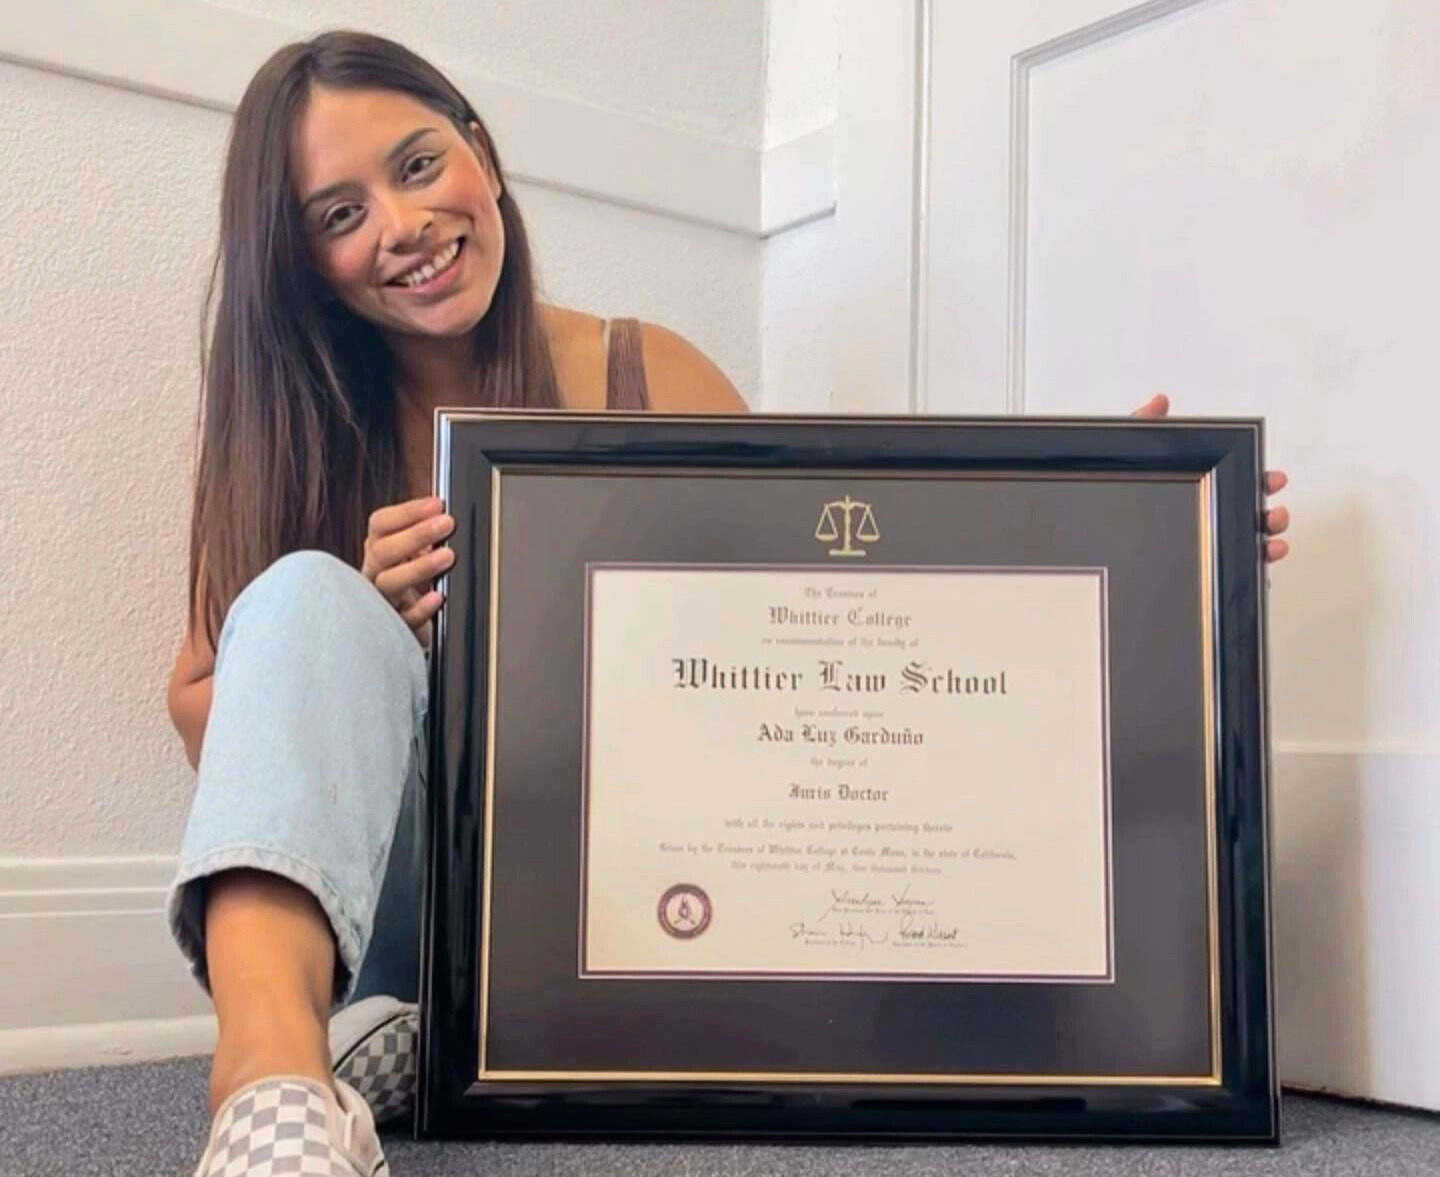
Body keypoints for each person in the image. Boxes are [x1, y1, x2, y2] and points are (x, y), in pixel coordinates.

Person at [165, 29, 1292, 1177]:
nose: (400, 226)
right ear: (304, 262)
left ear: (482, 157)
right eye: (338, 215)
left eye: (415, 167)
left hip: (629, 881)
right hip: (402, 884)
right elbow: (210, 708)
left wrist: (1136, 531)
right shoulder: (291, 428)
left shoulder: (642, 373)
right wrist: (374, 638)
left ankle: (409, 1037)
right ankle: (269, 1088)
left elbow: (816, 623)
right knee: (309, 597)